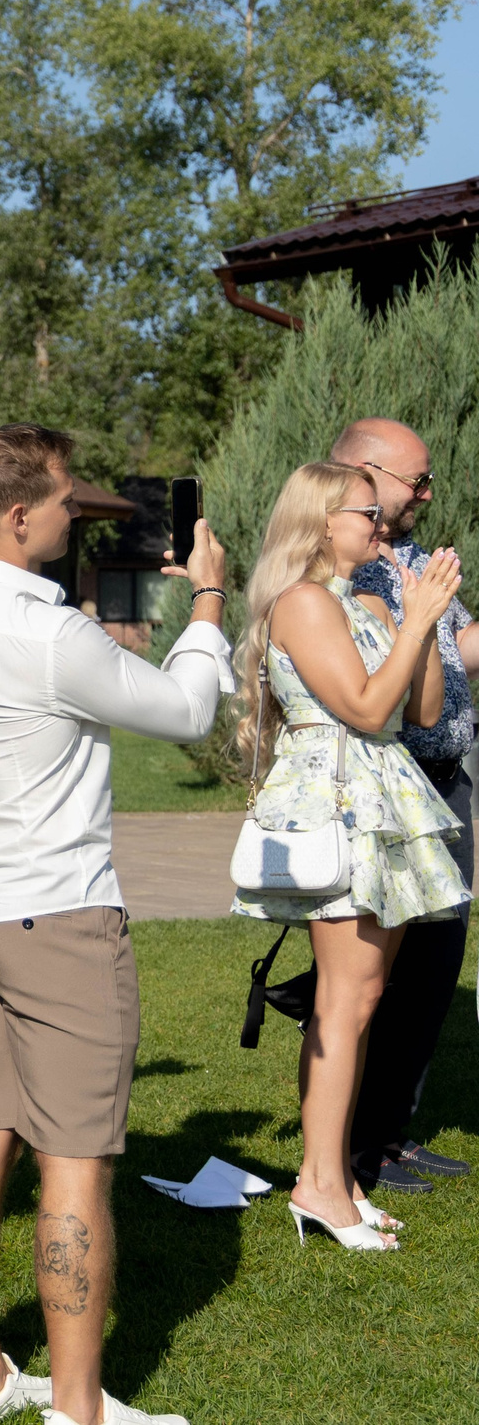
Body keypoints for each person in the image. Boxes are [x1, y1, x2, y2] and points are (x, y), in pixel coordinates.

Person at [0, 424, 226, 1425]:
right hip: (53, 917)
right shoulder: (49, 632)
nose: (76, 511)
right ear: (19, 515)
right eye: (67, 498)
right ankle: (78, 1407)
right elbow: (186, 711)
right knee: (72, 1162)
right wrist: (207, 599)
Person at [231, 461, 467, 1252]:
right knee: (347, 999)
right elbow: (365, 706)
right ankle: (320, 1184)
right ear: (322, 520)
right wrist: (415, 619)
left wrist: (420, 621)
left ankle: (332, 1178)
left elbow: (421, 709)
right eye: (366, 513)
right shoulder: (303, 602)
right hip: (339, 800)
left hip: (381, 796)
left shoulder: (366, 602)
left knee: (361, 997)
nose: (381, 524)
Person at [329, 417, 477, 1193]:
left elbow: (459, 649)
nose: (425, 494)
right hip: (391, 788)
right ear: (364, 472)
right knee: (369, 979)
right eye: (416, 480)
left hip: (448, 784)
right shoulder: (342, 566)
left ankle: (390, 1132)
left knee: (431, 971)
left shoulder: (413, 557)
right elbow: (376, 695)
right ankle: (348, 1149)